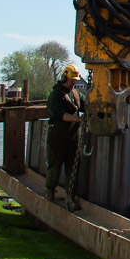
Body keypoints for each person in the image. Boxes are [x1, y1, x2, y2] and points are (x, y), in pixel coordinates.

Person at [44, 64, 84, 208]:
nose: (74, 82)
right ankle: (49, 193)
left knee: (72, 166)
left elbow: (84, 106)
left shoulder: (75, 94)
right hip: (58, 136)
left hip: (73, 136)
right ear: (64, 78)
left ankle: (70, 196)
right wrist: (79, 119)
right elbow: (60, 115)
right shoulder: (55, 95)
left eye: (75, 80)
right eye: (72, 80)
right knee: (54, 165)